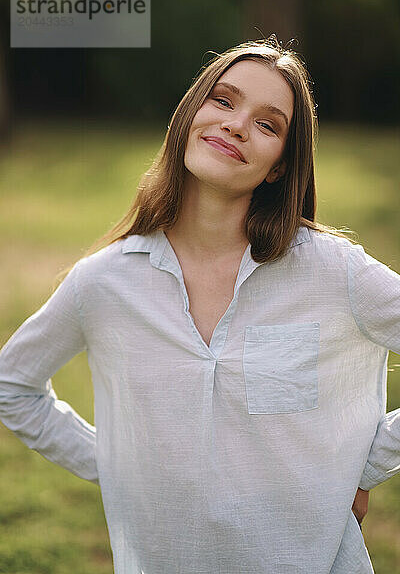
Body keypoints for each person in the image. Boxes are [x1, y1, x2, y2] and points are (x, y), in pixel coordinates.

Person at [0, 36, 399, 574]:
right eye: (224, 100)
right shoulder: (104, 282)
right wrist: (117, 462)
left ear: (280, 166)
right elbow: (13, 385)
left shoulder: (333, 271)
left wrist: (365, 465)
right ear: (190, 115)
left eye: (267, 124)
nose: (236, 124)